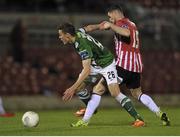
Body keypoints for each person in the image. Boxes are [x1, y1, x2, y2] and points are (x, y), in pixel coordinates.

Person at [75, 4, 170, 126]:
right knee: (137, 93)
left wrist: (111, 25)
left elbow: (126, 33)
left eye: (110, 17)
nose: (109, 19)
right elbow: (99, 26)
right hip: (135, 67)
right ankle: (159, 113)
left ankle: (86, 119)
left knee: (98, 89)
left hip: (123, 65)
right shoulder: (132, 23)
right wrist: (84, 30)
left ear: (115, 13)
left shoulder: (122, 24)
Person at [59, 22, 145, 127]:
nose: (60, 37)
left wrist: (71, 88)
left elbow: (86, 70)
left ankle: (138, 119)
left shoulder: (82, 45)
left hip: (107, 64)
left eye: (60, 35)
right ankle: (91, 108)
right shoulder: (77, 33)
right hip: (94, 65)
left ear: (67, 35)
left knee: (115, 93)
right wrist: (99, 26)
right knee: (79, 88)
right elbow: (88, 27)